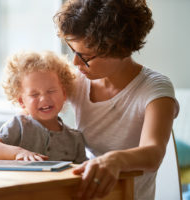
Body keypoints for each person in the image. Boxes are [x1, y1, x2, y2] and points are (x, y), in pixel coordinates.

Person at [53, 0, 179, 199]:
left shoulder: (154, 88)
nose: (76, 62)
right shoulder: (77, 81)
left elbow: (153, 152)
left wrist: (115, 160)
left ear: (118, 49)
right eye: (73, 51)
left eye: (85, 56)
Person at [0, 51, 87, 164]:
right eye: (34, 94)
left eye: (51, 91)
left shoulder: (75, 138)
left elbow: (81, 175)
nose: (44, 99)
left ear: (64, 94)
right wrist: (18, 153)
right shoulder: (18, 125)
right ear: (22, 101)